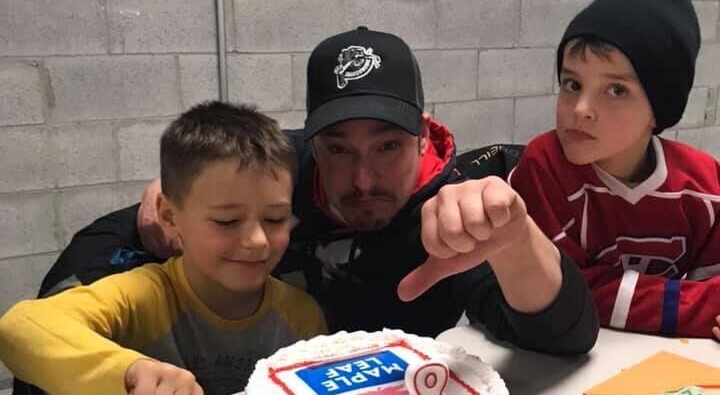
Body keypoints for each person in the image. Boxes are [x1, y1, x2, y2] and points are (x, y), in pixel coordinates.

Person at [140, 27, 598, 355]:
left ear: (422, 136)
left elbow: (565, 337)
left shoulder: (448, 214)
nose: (363, 179)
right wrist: (176, 193)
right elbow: (117, 234)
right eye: (339, 150)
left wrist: (517, 243)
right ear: (312, 143)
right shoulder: (283, 168)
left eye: (387, 146)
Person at [0, 103, 326, 395]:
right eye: (226, 220)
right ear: (170, 217)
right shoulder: (143, 294)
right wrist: (128, 373)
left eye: (274, 219)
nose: (255, 240)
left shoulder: (303, 316)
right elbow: (20, 328)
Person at [508, 0, 720, 340]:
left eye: (616, 91)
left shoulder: (705, 185)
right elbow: (568, 294)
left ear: (660, 110)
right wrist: (695, 309)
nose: (581, 109)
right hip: (558, 365)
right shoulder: (543, 167)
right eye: (572, 84)